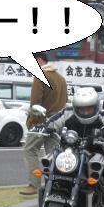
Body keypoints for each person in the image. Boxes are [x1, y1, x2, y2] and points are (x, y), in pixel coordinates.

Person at [39, 87, 104, 207]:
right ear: (75, 107)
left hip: (97, 152)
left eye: (89, 109)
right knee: (50, 167)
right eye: (81, 109)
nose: (85, 112)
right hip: (70, 152)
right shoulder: (67, 112)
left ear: (96, 106)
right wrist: (45, 129)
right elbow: (52, 122)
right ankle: (49, 203)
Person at [20, 52, 68, 196]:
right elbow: (65, 101)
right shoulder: (61, 78)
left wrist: (31, 122)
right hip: (57, 122)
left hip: (41, 122)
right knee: (53, 154)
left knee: (30, 150)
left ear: (40, 60)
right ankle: (57, 184)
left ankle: (34, 184)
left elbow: (35, 103)